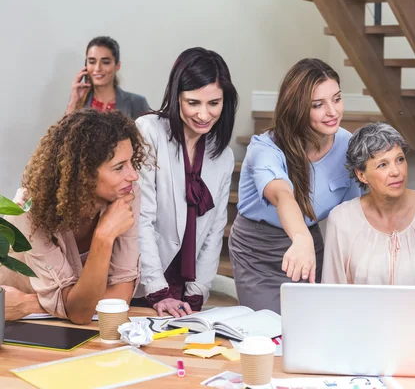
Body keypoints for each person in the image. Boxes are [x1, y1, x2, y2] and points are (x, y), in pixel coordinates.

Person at [229, 58, 362, 313]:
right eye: (318, 105)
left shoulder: (349, 146)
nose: (333, 111)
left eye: (336, 98)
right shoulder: (265, 149)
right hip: (259, 251)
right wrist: (300, 239)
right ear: (298, 109)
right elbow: (282, 195)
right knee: (273, 331)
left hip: (310, 245)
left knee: (317, 324)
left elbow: (356, 211)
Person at [0, 109, 147, 324]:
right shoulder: (31, 211)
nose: (133, 175)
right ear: (83, 175)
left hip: (52, 320)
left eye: (131, 162)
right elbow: (79, 312)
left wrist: (28, 303)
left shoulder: (126, 195)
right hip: (17, 326)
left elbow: (119, 296)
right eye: (119, 167)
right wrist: (103, 238)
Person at [134, 47, 237, 318]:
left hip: (185, 290)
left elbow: (215, 230)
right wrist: (156, 290)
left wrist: (197, 291)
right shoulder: (149, 131)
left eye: (213, 103)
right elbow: (140, 219)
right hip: (142, 281)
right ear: (176, 97)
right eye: (193, 103)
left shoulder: (223, 155)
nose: (204, 115)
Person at [322, 123, 415, 304]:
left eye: (399, 159)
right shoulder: (342, 219)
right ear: (361, 175)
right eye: (383, 165)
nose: (396, 172)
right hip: (361, 329)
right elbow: (332, 294)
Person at [66, 36, 150, 119]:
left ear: (117, 66)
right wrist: (73, 102)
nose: (97, 68)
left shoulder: (137, 103)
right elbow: (64, 132)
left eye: (105, 62)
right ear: (86, 65)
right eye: (92, 62)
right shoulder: (78, 101)